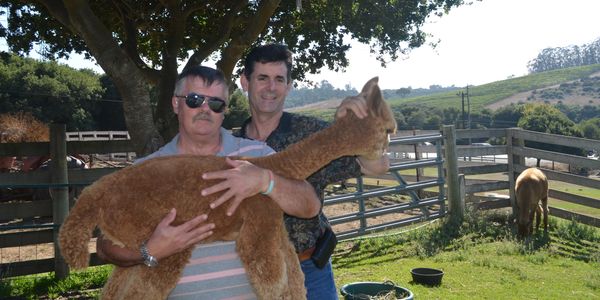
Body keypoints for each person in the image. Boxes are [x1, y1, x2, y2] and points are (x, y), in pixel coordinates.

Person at [96, 65, 320, 299]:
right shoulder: (146, 170)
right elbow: (104, 246)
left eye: (215, 103)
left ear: (224, 110)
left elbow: (310, 205)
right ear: (175, 104)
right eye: (194, 100)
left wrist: (266, 180)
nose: (205, 109)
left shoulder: (258, 154)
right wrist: (149, 251)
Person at [203, 44, 389, 299]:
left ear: (289, 86)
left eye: (279, 79)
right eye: (262, 78)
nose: (271, 87)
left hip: (309, 270)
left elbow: (376, 166)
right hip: (251, 273)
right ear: (245, 82)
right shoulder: (231, 147)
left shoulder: (312, 133)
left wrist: (355, 126)